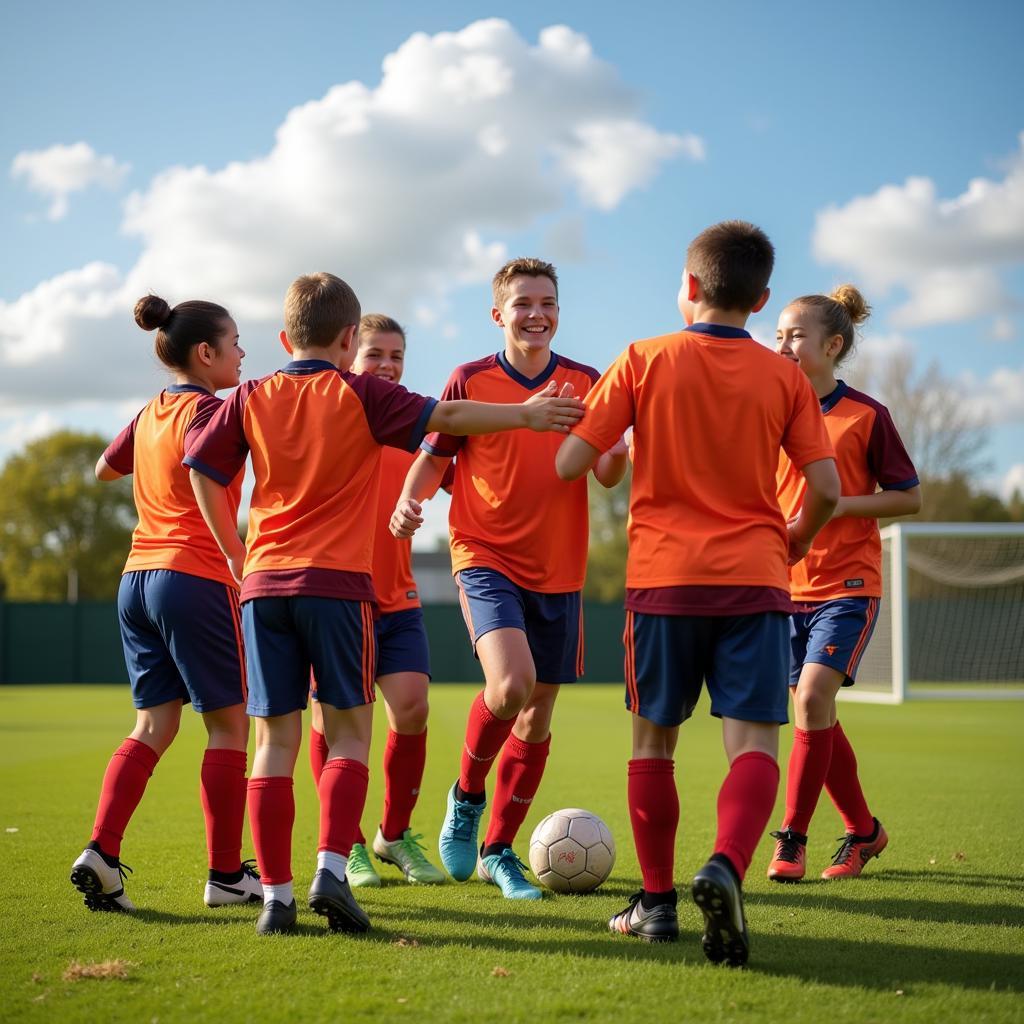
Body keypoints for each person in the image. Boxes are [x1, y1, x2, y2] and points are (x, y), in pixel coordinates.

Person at [186, 272, 584, 935]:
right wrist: (526, 414)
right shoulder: (360, 394)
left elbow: (200, 466)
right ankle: (334, 873)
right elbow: (449, 417)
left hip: (263, 587)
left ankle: (276, 899)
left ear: (285, 337)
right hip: (338, 589)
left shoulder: (250, 396)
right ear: (350, 339)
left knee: (274, 742)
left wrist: (232, 549)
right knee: (348, 735)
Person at [555, 221, 840, 966]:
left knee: (654, 742)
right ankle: (725, 865)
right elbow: (828, 488)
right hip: (756, 581)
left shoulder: (643, 359)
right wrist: (796, 543)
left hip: (663, 582)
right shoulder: (785, 376)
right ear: (763, 297)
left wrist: (609, 436)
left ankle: (655, 906)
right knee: (753, 742)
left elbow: (571, 463)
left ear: (689, 287)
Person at [391, 258, 628, 900]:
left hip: (560, 568)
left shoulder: (587, 382)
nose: (537, 313)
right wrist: (410, 501)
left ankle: (499, 849)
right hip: (484, 555)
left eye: (547, 302)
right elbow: (432, 457)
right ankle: (466, 799)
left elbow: (607, 472)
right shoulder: (470, 378)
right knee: (512, 684)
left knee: (538, 713)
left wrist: (615, 447)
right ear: (499, 314)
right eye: (523, 303)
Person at [71, 294, 260, 913]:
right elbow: (209, 475)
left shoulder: (152, 410)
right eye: (234, 344)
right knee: (230, 726)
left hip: (137, 580)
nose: (241, 354)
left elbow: (103, 469)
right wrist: (234, 551)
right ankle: (228, 876)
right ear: (206, 354)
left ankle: (101, 849)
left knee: (153, 725)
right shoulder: (215, 409)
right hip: (195, 578)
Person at [766, 286, 921, 883]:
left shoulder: (866, 415)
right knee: (816, 710)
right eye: (777, 334)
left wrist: (832, 506)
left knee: (809, 701)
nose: (782, 346)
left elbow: (909, 497)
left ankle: (794, 839)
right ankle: (864, 831)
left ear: (832, 345)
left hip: (848, 585)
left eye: (795, 336)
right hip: (782, 587)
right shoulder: (769, 411)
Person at [309, 314, 447, 887]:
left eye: (396, 355)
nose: (387, 366)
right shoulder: (331, 419)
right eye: (374, 355)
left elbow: (463, 474)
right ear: (348, 356)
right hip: (336, 600)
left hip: (398, 598)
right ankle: (349, 845)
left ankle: (393, 835)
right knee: (336, 723)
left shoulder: (417, 429)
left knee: (412, 707)